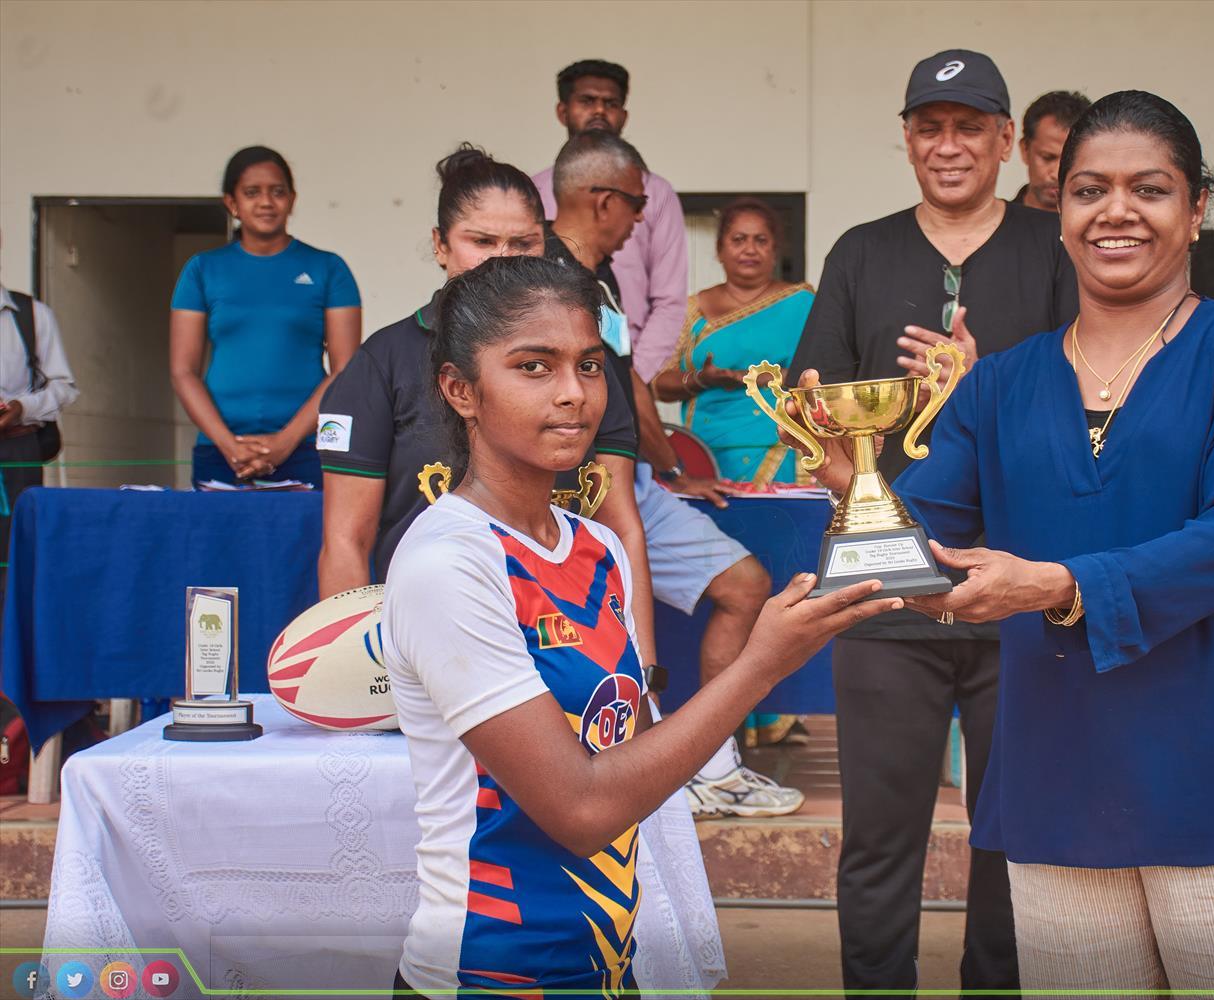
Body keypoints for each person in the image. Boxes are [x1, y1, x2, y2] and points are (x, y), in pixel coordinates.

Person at [789, 89, 1214, 994]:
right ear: (1059, 210)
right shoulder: (1002, 382)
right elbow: (925, 536)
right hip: (1057, 782)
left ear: (1196, 208)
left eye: (1149, 189)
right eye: (1089, 190)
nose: (1115, 211)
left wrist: (1052, 585)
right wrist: (858, 490)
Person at [381, 254, 900, 998]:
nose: (573, 395)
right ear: (462, 390)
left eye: (590, 367)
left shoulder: (593, 547)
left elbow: (633, 758)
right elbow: (581, 808)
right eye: (534, 367)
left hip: (604, 965)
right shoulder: (448, 562)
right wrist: (761, 663)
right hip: (486, 970)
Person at [786, 49, 1075, 993]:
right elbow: (811, 407)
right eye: (928, 126)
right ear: (907, 137)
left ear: (1006, 141)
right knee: (878, 836)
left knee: (1010, 835)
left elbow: (1094, 408)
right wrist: (865, 508)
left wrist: (982, 381)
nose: (948, 146)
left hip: (1017, 585)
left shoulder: (1052, 250)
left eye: (969, 127)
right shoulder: (862, 253)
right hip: (883, 592)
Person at [314, 145, 651, 670]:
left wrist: (641, 672)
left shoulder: (587, 362)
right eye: (482, 241)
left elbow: (620, 524)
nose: (503, 259)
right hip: (435, 645)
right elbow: (346, 539)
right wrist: (364, 682)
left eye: (523, 243)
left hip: (572, 648)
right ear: (440, 245)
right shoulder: (383, 360)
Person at [545, 134, 801, 817]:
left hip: (636, 483)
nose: (641, 220)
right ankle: (629, 768)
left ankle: (711, 768)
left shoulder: (596, 278)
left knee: (745, 584)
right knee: (595, 635)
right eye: (637, 203)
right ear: (604, 200)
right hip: (577, 493)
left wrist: (664, 466)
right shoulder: (539, 277)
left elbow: (627, 383)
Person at [170, 146, 361, 487]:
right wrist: (228, 445)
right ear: (232, 203)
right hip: (220, 451)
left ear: (292, 199)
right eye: (252, 192)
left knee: (308, 544)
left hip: (305, 449)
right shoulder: (202, 270)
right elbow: (183, 371)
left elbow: (346, 370)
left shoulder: (329, 268)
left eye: (277, 191)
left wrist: (284, 443)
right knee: (218, 543)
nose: (266, 202)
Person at [533, 59, 688, 381]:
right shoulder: (531, 191)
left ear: (624, 115)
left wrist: (632, 376)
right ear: (563, 111)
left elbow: (669, 300)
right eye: (587, 101)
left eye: (611, 103)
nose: (600, 112)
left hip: (628, 371)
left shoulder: (656, 193)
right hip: (550, 375)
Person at [654, 197, 814, 485]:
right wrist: (702, 379)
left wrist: (748, 377)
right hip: (706, 450)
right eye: (738, 239)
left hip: (780, 445)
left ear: (774, 250)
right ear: (720, 249)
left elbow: (818, 377)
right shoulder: (692, 309)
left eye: (761, 240)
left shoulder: (802, 303)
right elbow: (657, 384)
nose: (749, 249)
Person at [1, 274, 79, 598]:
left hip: (17, 451)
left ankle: (11, 646)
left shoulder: (31, 314)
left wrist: (21, 407)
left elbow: (63, 388)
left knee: (15, 559)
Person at [1013, 89, 1090, 211]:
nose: (1057, 174)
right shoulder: (993, 225)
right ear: (1025, 149)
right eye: (1047, 158)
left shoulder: (1104, 226)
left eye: (1070, 160)